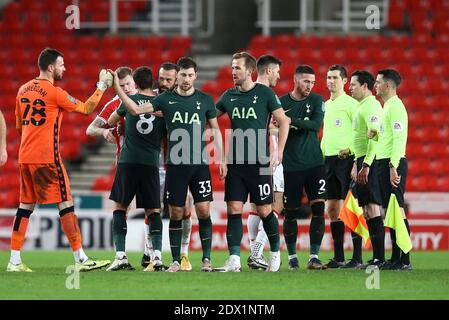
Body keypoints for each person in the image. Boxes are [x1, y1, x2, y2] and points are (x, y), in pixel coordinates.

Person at [114, 57, 226, 273]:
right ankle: (175, 260)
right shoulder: (165, 99)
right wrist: (119, 89)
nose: (186, 79)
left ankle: (206, 260)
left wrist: (221, 159)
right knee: (174, 212)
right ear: (179, 76)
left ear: (196, 76)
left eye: (190, 75)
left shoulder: (205, 99)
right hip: (174, 164)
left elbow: (216, 130)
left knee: (203, 211)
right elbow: (136, 110)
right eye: (183, 75)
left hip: (199, 164)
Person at [7, 47, 112, 272]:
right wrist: (102, 86)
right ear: (51, 67)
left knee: (25, 205)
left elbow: (18, 127)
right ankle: (81, 259)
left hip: (25, 157)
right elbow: (86, 109)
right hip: (47, 158)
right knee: (66, 202)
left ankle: (14, 260)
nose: (65, 68)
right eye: (62, 65)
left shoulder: (22, 90)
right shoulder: (55, 92)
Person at [214, 52, 289, 272]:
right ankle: (234, 259)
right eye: (232, 67)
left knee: (265, 210)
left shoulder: (265, 93)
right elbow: (209, 116)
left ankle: (275, 254)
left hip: (259, 161)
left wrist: (280, 151)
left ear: (249, 71)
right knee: (234, 208)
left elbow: (284, 121)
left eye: (237, 68)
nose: (233, 72)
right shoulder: (228, 96)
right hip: (235, 162)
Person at [106, 66, 166, 271]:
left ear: (136, 84)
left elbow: (111, 121)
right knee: (153, 210)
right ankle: (157, 257)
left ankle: (121, 256)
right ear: (153, 84)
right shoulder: (161, 104)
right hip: (151, 163)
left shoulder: (128, 103)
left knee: (120, 208)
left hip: (128, 161)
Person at [278, 65, 328, 270]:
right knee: (290, 212)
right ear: (296, 80)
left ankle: (314, 256)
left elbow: (316, 125)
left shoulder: (316, 100)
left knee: (318, 208)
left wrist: (290, 122)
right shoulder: (281, 102)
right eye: (306, 81)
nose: (310, 86)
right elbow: (275, 126)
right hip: (290, 165)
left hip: (315, 163)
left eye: (313, 82)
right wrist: (290, 123)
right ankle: (292, 257)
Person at [321, 65, 364, 269]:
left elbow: (361, 133)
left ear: (344, 81)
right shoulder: (325, 105)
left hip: (346, 159)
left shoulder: (352, 104)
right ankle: (338, 257)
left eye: (335, 78)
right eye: (328, 77)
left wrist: (350, 151)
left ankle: (356, 257)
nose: (331, 81)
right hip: (328, 160)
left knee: (352, 207)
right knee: (332, 209)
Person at [246, 54, 284, 270]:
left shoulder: (247, 91)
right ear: (268, 71)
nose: (279, 75)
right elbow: (276, 126)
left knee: (256, 206)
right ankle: (257, 251)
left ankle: (256, 255)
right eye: (277, 71)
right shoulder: (267, 94)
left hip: (249, 154)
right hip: (269, 154)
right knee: (274, 203)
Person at [155, 62, 194, 272]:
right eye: (161, 78)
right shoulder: (155, 98)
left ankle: (184, 254)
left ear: (176, 79)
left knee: (183, 208)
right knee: (153, 208)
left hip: (177, 163)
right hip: (154, 164)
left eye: (169, 79)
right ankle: (153, 255)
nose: (164, 83)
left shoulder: (181, 100)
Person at [374, 69, 411, 270]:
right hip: (383, 162)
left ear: (388, 85)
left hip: (391, 163)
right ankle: (396, 258)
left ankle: (405, 259)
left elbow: (399, 139)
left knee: (398, 210)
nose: (375, 85)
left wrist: (393, 166)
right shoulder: (386, 107)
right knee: (390, 212)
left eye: (378, 82)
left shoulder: (396, 107)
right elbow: (387, 137)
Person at [349, 70, 385, 268]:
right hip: (361, 159)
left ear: (365, 86)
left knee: (372, 207)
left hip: (370, 161)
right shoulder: (361, 106)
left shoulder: (371, 106)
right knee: (367, 209)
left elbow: (375, 136)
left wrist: (366, 164)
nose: (350, 88)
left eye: (353, 84)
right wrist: (356, 162)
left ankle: (379, 258)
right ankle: (376, 257)